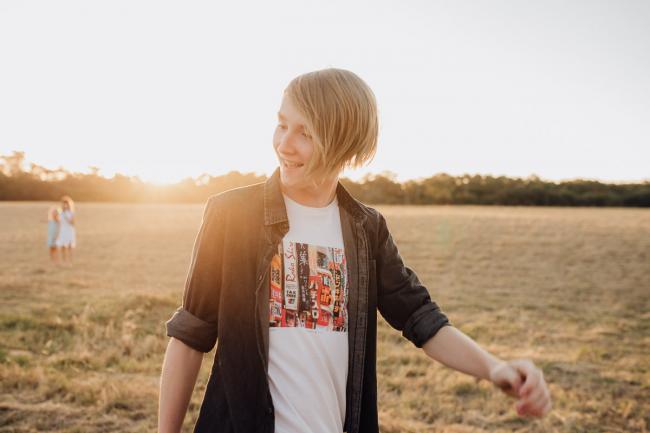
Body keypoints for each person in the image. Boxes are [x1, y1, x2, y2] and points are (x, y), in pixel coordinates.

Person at [159, 68, 551, 433]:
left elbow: (420, 317)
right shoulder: (232, 215)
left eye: (305, 133)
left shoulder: (366, 229)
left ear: (343, 143)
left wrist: (494, 367)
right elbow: (190, 334)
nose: (284, 144)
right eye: (281, 125)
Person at [56, 196, 76, 264]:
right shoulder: (60, 213)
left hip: (69, 230)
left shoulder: (71, 213)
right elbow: (59, 223)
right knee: (63, 246)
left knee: (70, 246)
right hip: (62, 230)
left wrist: (66, 217)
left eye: (66, 203)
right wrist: (58, 233)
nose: (65, 205)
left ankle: (71, 261)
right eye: (63, 203)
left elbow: (72, 223)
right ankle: (64, 261)